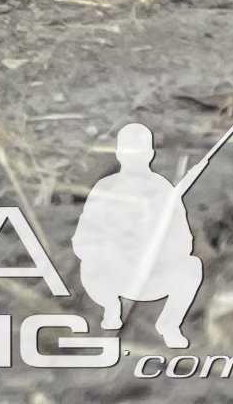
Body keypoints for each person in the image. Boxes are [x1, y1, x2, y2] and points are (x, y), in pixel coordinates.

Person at [72, 122, 205, 347]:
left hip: (154, 274)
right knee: (90, 266)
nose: (135, 158)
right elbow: (84, 238)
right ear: (119, 153)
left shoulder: (163, 189)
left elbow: (184, 239)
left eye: (140, 152)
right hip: (113, 273)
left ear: (150, 153)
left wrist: (160, 248)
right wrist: (112, 248)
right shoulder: (106, 188)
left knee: (191, 268)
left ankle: (169, 324)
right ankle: (110, 311)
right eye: (129, 152)